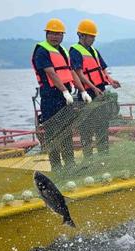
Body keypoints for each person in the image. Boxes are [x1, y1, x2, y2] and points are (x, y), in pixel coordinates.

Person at [31, 18, 89, 172]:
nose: (55, 37)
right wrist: (64, 91)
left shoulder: (62, 50)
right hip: (51, 97)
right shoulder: (42, 50)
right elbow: (51, 73)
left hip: (65, 98)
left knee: (67, 131)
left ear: (62, 35)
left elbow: (71, 72)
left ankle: (70, 165)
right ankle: (57, 167)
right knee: (52, 133)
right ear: (47, 34)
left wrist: (82, 90)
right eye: (52, 33)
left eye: (58, 34)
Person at [70, 19, 121, 158]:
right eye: (90, 36)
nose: (93, 39)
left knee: (102, 126)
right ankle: (88, 158)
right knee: (86, 128)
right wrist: (92, 88)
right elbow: (79, 73)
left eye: (94, 36)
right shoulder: (75, 51)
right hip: (87, 95)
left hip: (100, 93)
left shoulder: (94, 51)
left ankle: (104, 156)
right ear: (81, 35)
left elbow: (103, 69)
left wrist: (111, 81)